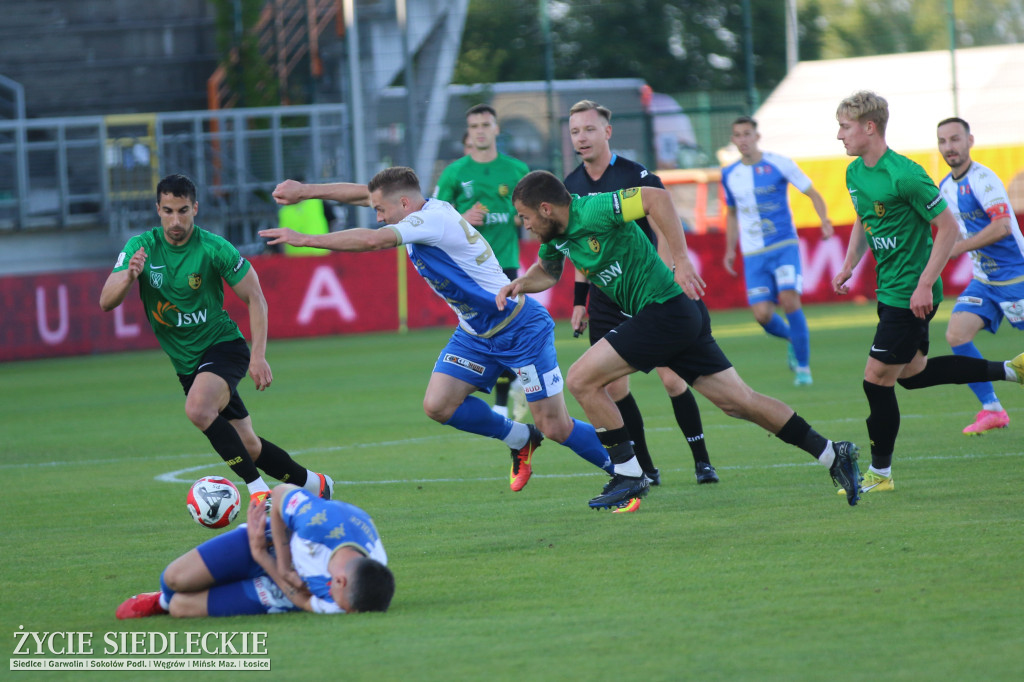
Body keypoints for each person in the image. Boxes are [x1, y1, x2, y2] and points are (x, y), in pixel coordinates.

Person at [502, 170, 863, 508]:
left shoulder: (594, 208)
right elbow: (547, 272)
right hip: (676, 317)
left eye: (526, 216)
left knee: (581, 379)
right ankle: (833, 452)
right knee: (740, 402)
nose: (526, 224)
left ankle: (628, 473)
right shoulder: (557, 238)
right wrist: (520, 284)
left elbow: (656, 198)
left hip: (664, 310)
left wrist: (681, 258)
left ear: (546, 209)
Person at [262, 168, 618, 502]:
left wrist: (304, 239)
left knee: (555, 425)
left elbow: (372, 241)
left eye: (380, 211)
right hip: (476, 334)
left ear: (403, 204)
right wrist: (306, 192)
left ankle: (628, 470)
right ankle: (521, 438)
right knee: (438, 405)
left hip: (519, 329)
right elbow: (365, 195)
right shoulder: (418, 207)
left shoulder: (430, 220)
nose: (378, 217)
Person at [98, 173, 334, 507]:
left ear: (195, 208)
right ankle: (314, 484)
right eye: (168, 211)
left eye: (183, 210)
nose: (176, 220)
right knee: (248, 444)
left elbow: (256, 298)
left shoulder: (213, 248)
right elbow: (106, 302)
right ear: (158, 210)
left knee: (198, 408)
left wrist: (258, 356)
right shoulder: (141, 248)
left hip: (223, 347)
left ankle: (258, 492)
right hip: (186, 364)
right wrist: (129, 277)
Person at [831, 91, 1024, 494]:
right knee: (912, 376)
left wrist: (923, 284)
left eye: (845, 127)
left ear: (869, 127)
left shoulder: (906, 174)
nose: (839, 136)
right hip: (890, 291)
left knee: (875, 380)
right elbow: (863, 217)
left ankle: (880, 475)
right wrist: (851, 262)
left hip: (911, 294)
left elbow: (949, 228)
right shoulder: (854, 173)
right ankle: (1011, 370)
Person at [564, 99, 718, 486]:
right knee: (613, 388)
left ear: (607, 132)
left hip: (650, 291)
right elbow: (580, 250)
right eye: (574, 132)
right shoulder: (571, 187)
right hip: (605, 298)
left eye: (588, 129)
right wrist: (579, 302)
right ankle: (645, 470)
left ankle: (702, 461)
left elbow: (665, 222)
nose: (581, 138)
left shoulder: (635, 174)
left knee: (672, 379)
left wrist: (669, 271)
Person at [115, 484, 394, 618]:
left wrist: (266, 563)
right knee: (173, 579)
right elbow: (282, 492)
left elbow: (306, 602)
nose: (336, 608)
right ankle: (162, 595)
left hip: (274, 573)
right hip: (276, 540)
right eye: (338, 601)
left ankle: (164, 604)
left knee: (179, 607)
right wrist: (280, 563)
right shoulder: (318, 522)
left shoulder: (355, 597)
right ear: (339, 581)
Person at [433, 104, 530, 421]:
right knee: (487, 335)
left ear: (496, 129)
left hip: (506, 267)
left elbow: (536, 214)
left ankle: (503, 402)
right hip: (469, 273)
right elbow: (432, 220)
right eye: (474, 125)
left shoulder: (516, 170)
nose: (480, 130)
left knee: (506, 334)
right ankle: (513, 389)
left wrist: (523, 218)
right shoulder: (455, 173)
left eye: (485, 124)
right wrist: (462, 218)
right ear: (468, 130)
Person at [722, 116, 834, 386]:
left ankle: (804, 369)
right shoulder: (729, 174)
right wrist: (729, 250)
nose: (743, 139)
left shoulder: (779, 163)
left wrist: (825, 220)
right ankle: (792, 339)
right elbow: (732, 214)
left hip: (783, 244)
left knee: (789, 299)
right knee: (761, 315)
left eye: (747, 134)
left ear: (757, 136)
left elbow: (813, 193)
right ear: (734, 140)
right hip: (753, 254)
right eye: (738, 135)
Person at [936, 117, 1024, 435]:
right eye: (943, 141)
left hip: (1016, 277)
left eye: (955, 139)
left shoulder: (983, 179)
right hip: (985, 281)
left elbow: (1001, 227)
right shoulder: (945, 187)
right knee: (957, 335)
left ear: (970, 141)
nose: (950, 147)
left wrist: (958, 249)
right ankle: (992, 409)